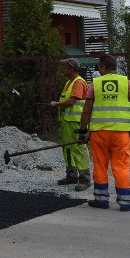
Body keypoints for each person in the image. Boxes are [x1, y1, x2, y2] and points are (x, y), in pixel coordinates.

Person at [78, 54, 130, 211]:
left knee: (100, 165)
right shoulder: (126, 83)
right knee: (121, 166)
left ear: (103, 67)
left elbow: (86, 110)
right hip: (120, 134)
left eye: (99, 66)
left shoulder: (95, 84)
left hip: (99, 133)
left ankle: (101, 200)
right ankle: (126, 202)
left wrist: (83, 130)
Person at [49, 58, 91, 191]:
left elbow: (72, 101)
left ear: (72, 69)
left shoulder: (78, 83)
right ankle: (71, 174)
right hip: (68, 121)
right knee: (67, 148)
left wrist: (56, 104)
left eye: (65, 68)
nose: (63, 70)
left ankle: (85, 178)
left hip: (76, 121)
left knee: (78, 148)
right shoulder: (69, 82)